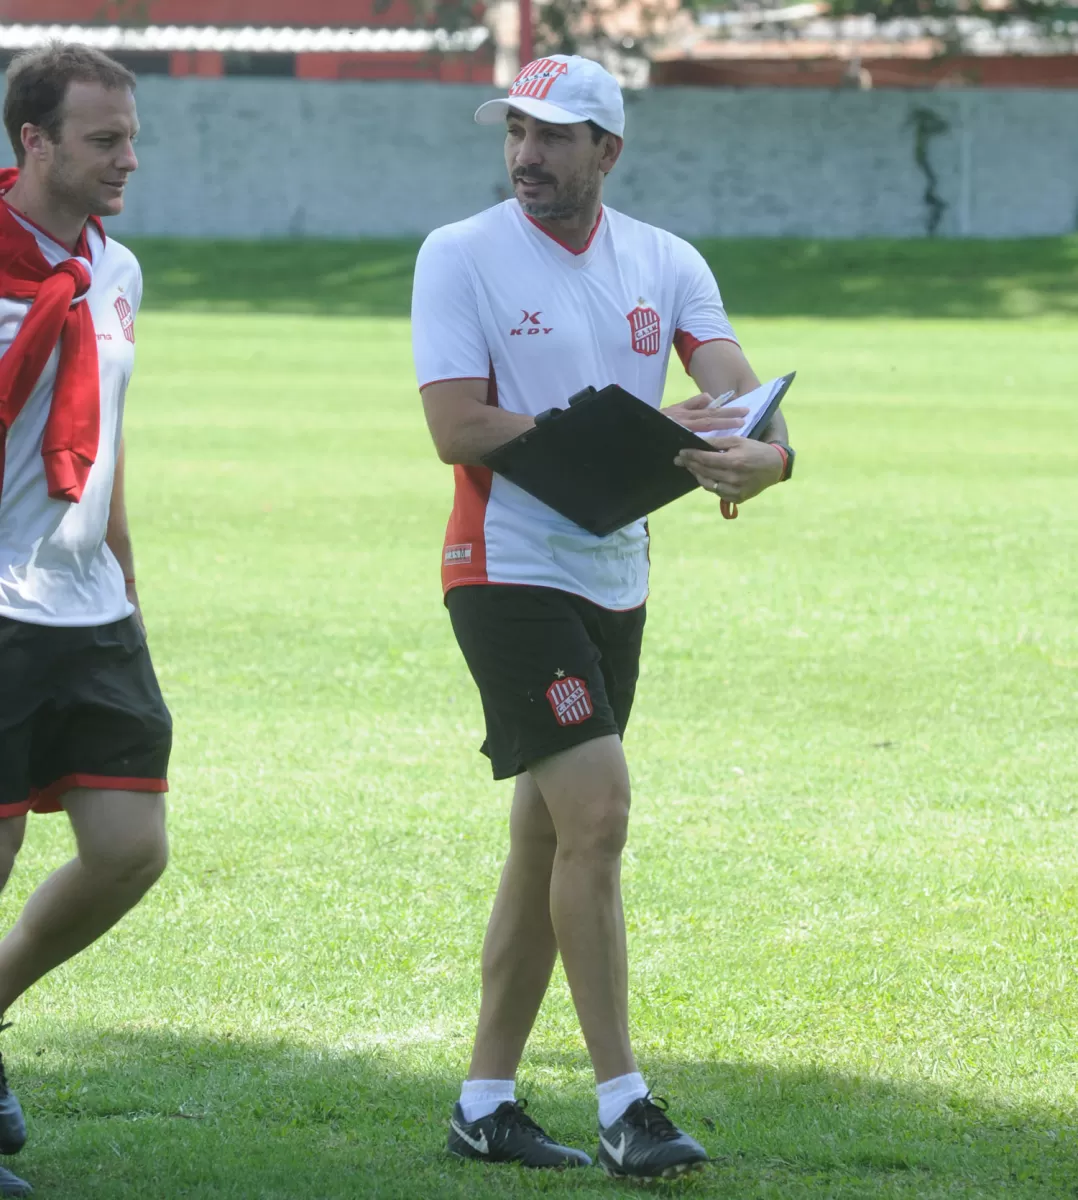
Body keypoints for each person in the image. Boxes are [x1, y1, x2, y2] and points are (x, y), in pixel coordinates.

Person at [410, 54, 795, 1181]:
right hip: (504, 570)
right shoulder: (460, 253)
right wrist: (637, 435)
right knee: (600, 811)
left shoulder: (665, 261)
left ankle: (485, 1102)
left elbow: (735, 391)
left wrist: (767, 454)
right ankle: (626, 1103)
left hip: (615, 571)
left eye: (555, 135)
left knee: (548, 837)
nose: (527, 154)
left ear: (607, 151)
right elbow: (459, 427)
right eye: (515, 132)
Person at [0, 43, 172, 1197]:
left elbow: (105, 446)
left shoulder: (118, 271)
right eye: (104, 140)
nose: (127, 160)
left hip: (90, 605)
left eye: (131, 138)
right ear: (34, 142)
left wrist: (129, 585)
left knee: (129, 850)